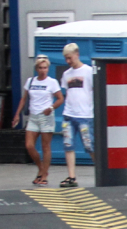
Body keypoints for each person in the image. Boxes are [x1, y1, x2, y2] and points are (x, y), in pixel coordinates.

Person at [12, 56, 63, 187]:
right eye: (40, 68)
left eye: (45, 68)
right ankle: (41, 168)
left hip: (46, 116)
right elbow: (24, 99)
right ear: (36, 69)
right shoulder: (30, 81)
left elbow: (60, 98)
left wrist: (51, 108)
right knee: (29, 145)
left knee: (46, 147)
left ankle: (44, 174)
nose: (43, 70)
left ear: (48, 68)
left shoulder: (52, 82)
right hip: (33, 116)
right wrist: (17, 114)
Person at [58, 43, 94, 188]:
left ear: (77, 55)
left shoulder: (89, 71)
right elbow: (67, 92)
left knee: (89, 144)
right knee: (68, 145)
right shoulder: (66, 74)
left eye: (70, 58)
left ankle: (101, 169)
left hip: (85, 114)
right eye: (66, 58)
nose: (68, 61)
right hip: (69, 113)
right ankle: (71, 176)